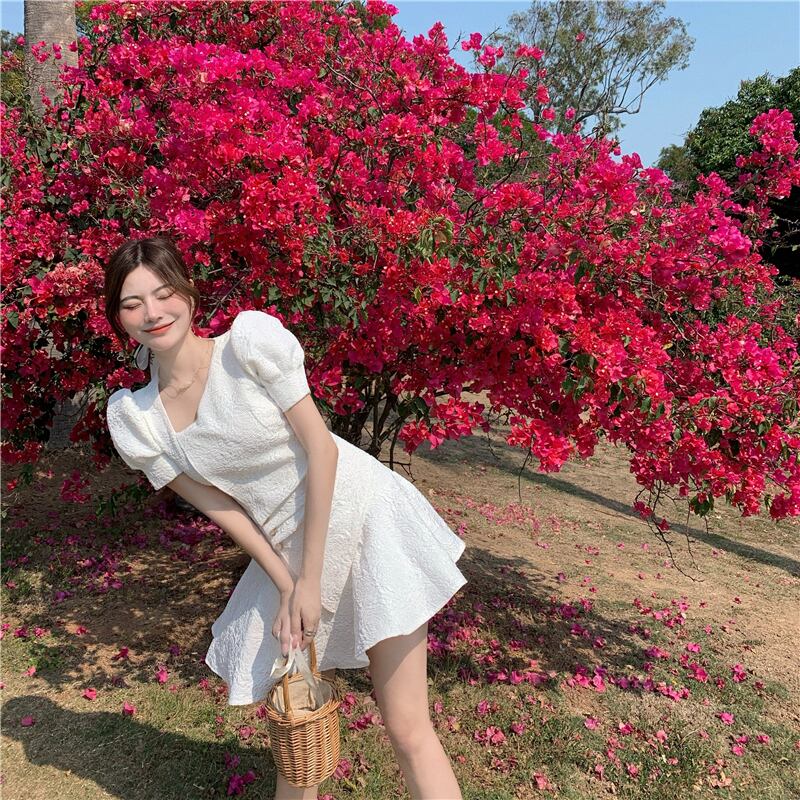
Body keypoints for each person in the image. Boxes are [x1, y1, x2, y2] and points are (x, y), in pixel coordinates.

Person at [103, 236, 468, 800]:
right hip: (286, 548)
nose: (153, 312)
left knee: (406, 726)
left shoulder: (247, 346)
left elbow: (322, 450)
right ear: (119, 318)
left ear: (189, 294)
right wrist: (285, 581)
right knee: (299, 724)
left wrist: (310, 580)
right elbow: (222, 506)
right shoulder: (139, 419)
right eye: (133, 303)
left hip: (363, 516)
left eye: (164, 292)